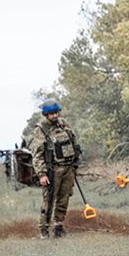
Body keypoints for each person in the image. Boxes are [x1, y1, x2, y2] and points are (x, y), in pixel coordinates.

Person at [31, 99, 81, 239]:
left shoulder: (64, 124)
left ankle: (58, 226)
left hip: (68, 168)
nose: (55, 116)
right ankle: (44, 229)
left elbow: (74, 144)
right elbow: (37, 154)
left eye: (56, 112)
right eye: (52, 114)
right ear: (46, 115)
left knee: (64, 198)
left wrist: (75, 164)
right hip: (52, 170)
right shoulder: (41, 129)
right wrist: (42, 174)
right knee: (49, 199)